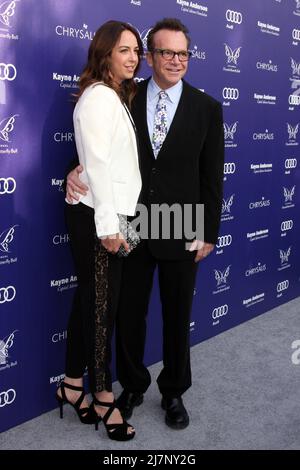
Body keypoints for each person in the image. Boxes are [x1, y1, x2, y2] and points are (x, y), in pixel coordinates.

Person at [66, 18, 224, 430]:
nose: (175, 60)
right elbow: (99, 149)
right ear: (150, 57)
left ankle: (173, 391)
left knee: (177, 312)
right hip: (130, 219)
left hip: (180, 221)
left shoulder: (208, 108)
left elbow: (212, 177)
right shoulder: (125, 96)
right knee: (128, 312)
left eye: (183, 53)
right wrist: (74, 172)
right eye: (166, 52)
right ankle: (133, 384)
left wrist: (208, 230)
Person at [56, 20, 143, 441]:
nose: (133, 57)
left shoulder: (117, 96)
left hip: (115, 213)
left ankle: (73, 385)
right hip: (99, 216)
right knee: (100, 311)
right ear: (105, 53)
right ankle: (104, 396)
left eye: (136, 50)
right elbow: (98, 164)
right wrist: (109, 227)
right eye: (124, 50)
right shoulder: (97, 98)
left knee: (90, 303)